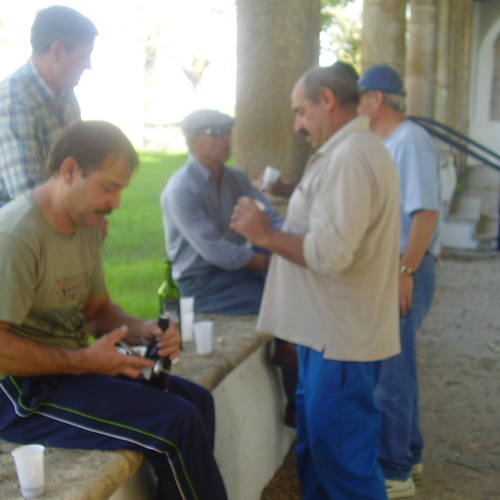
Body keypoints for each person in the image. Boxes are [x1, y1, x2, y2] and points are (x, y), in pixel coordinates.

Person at [0, 120, 227, 500]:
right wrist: (85, 361)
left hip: (67, 369)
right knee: (177, 422)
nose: (115, 203)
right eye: (109, 188)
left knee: (197, 401)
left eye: (120, 190)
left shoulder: (85, 224)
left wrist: (143, 329)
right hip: (16, 393)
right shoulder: (16, 237)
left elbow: (98, 311)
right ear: (69, 171)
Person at [230, 62, 401, 499]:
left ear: (327, 100)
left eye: (301, 111)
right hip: (327, 337)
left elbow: (330, 253)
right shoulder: (346, 153)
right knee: (320, 457)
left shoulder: (351, 156)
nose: (298, 125)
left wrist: (264, 235)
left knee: (344, 465)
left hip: (340, 341)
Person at [358, 64, 441, 500]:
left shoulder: (410, 141)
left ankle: (394, 474)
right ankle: (410, 455)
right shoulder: (392, 142)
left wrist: (404, 271)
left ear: (377, 99)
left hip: (404, 269)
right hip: (399, 268)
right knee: (397, 369)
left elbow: (425, 213)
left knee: (391, 375)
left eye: (360, 97)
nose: (355, 106)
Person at [0, 5, 97, 208]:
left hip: (56, 207)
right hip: (14, 223)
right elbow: (26, 198)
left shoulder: (65, 91)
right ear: (57, 51)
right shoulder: (15, 100)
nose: (88, 65)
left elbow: (80, 162)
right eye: (84, 54)